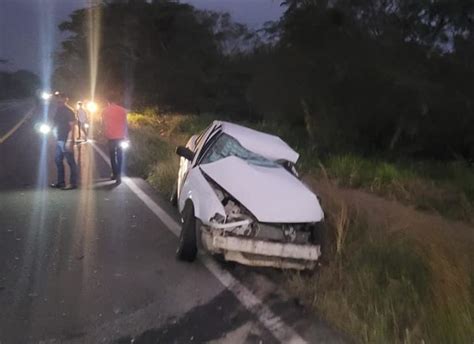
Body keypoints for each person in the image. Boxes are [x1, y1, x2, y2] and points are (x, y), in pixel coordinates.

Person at [51, 92, 78, 190]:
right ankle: (61, 182)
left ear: (66, 99)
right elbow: (56, 122)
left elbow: (72, 127)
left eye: (61, 98)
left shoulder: (69, 111)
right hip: (59, 139)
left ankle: (73, 183)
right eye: (58, 98)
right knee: (58, 160)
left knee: (70, 161)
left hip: (66, 139)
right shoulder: (58, 109)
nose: (59, 100)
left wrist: (70, 140)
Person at [101, 94, 128, 184]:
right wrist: (126, 136)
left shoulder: (104, 111)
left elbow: (103, 124)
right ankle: (119, 174)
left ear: (108, 101)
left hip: (111, 137)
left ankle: (114, 173)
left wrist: (104, 134)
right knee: (120, 155)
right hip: (121, 137)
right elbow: (125, 124)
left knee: (112, 156)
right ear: (116, 101)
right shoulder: (123, 110)